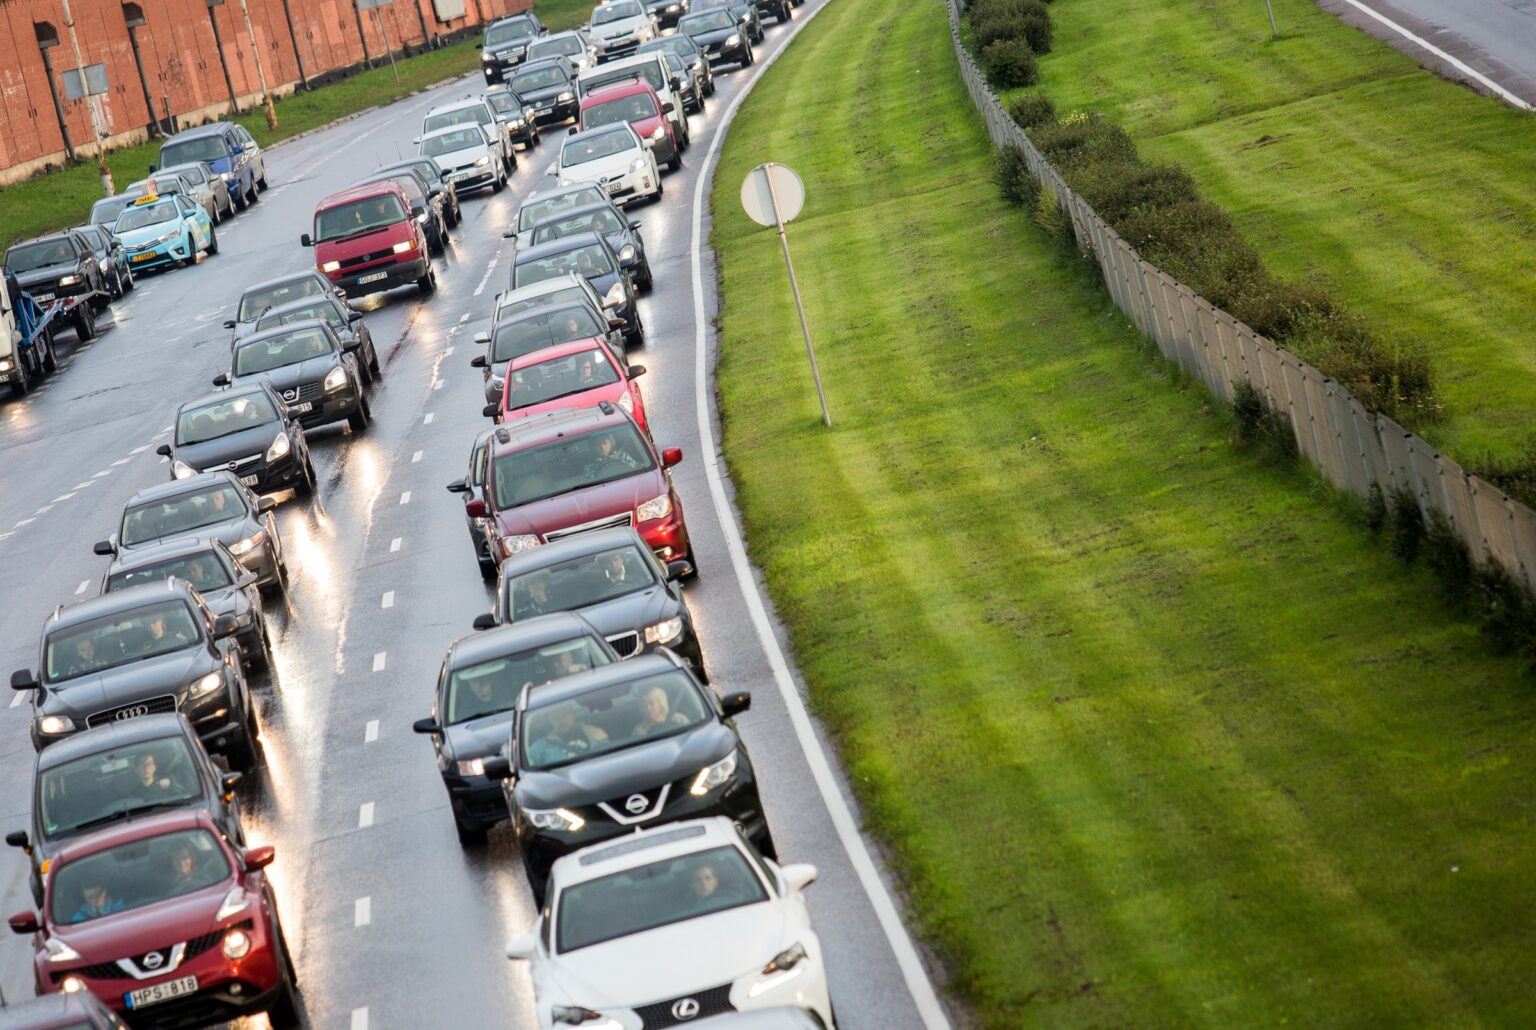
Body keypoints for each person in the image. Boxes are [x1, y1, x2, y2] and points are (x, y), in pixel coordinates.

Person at [526, 704, 608, 765]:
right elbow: (528, 768)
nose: (561, 721)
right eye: (556, 717)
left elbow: (606, 759)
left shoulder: (594, 733)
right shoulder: (541, 746)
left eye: (564, 715)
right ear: (550, 720)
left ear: (572, 714)